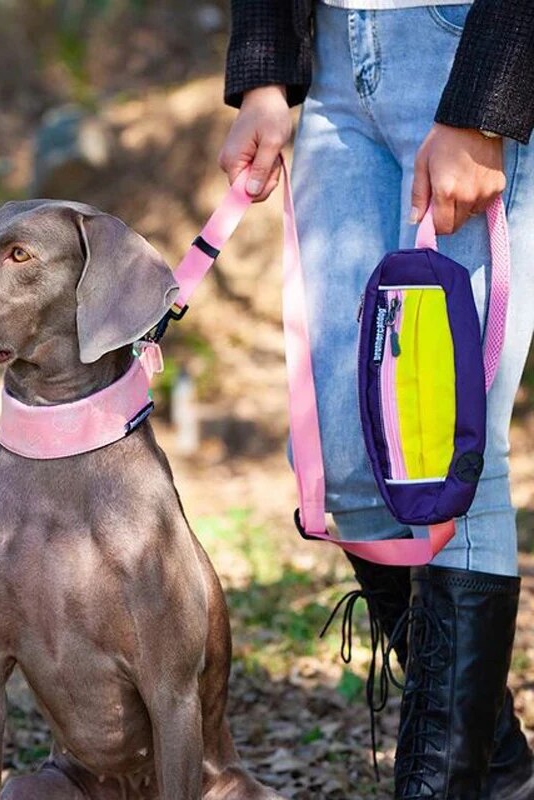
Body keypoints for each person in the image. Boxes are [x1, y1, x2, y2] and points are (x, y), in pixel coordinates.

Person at [219, 1, 534, 798]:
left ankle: (444, 782)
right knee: (344, 462)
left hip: (463, 41)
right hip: (331, 62)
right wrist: (265, 77)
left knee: (445, 447)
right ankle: (495, 765)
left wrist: (485, 103)